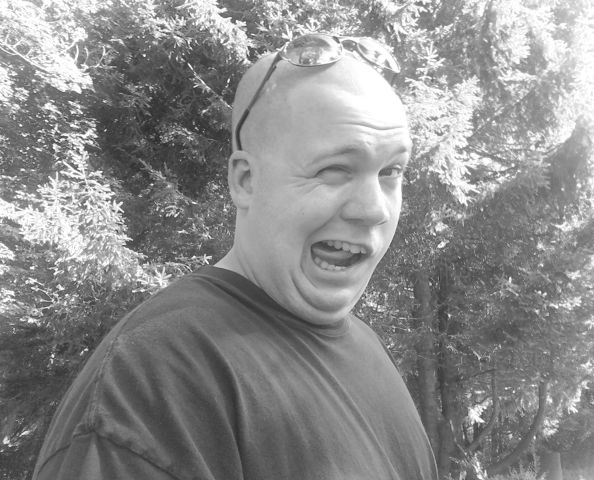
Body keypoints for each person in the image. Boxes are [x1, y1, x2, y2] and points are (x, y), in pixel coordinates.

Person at [32, 33, 438, 480]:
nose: (375, 209)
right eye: (334, 170)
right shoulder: (154, 379)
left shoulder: (368, 349)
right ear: (245, 180)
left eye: (390, 172)